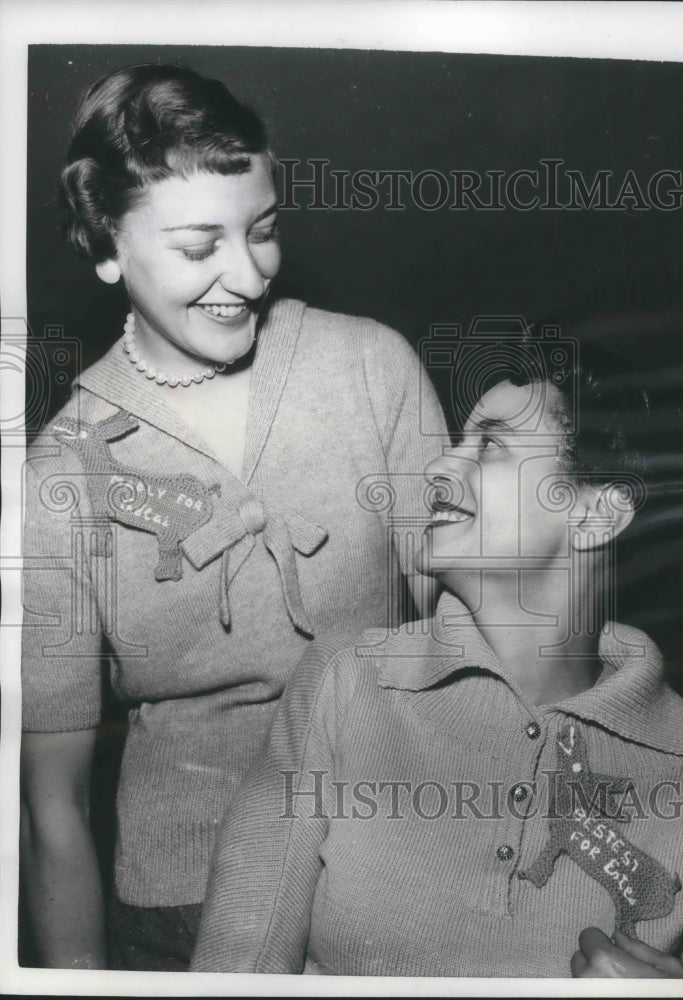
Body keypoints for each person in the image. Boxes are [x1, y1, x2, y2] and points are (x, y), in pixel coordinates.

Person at [19, 63, 447, 971]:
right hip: (183, 904)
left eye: (262, 231)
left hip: (389, 867)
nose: (248, 277)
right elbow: (50, 803)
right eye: (197, 247)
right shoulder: (61, 473)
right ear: (104, 246)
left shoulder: (369, 369)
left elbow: (475, 655)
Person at [192, 339, 683, 978]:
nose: (440, 466)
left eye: (491, 444)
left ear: (594, 513)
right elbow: (235, 971)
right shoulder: (347, 683)